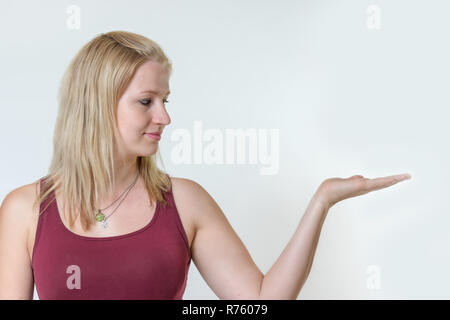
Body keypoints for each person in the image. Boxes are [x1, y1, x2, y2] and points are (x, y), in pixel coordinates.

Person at [0, 30, 412, 300]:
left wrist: (322, 201)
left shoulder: (185, 202)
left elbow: (260, 304)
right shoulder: (25, 210)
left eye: (165, 101)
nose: (164, 117)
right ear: (97, 105)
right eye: (147, 101)